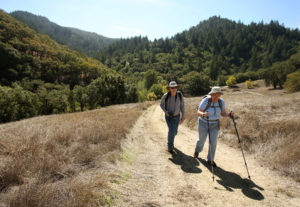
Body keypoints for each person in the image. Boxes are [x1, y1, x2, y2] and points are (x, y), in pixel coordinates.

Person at [194, 86, 233, 167]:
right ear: (211, 94)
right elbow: (198, 111)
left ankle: (210, 159)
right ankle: (197, 150)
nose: (216, 97)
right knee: (202, 139)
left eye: (218, 95)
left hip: (215, 124)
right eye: (214, 95)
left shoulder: (221, 102)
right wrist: (203, 114)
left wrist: (228, 115)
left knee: (213, 142)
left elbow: (222, 113)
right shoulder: (206, 100)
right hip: (203, 123)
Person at [160, 81, 185, 153]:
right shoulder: (166, 95)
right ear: (169, 89)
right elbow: (161, 104)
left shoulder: (180, 95)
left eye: (175, 87)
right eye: (172, 88)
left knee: (175, 132)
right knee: (171, 130)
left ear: (177, 88)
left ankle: (171, 141)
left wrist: (183, 116)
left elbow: (182, 106)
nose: (174, 89)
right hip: (169, 117)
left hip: (177, 117)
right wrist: (165, 111)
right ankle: (170, 146)